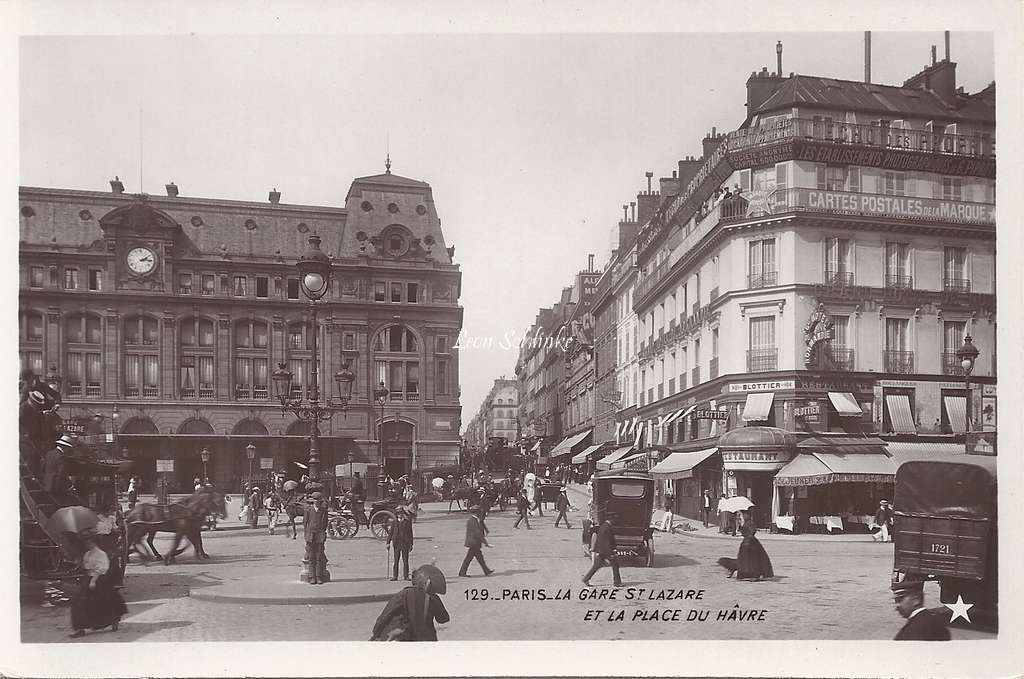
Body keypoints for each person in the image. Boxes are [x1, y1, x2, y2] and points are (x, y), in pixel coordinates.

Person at [68, 536, 128, 637]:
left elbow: (102, 569)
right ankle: (80, 629)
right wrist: (79, 564)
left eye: (88, 542)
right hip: (88, 578)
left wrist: (93, 581)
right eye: (86, 542)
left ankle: (113, 620)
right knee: (78, 601)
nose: (86, 544)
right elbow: (87, 567)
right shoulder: (87, 553)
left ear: (93, 542)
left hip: (100, 580)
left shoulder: (101, 554)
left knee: (102, 602)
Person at [371, 565, 451, 641]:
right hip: (428, 640)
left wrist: (376, 633)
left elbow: (385, 615)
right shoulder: (433, 598)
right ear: (428, 583)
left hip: (408, 639)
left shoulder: (403, 594)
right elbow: (443, 619)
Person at [583, 514, 622, 587]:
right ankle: (617, 582)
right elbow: (608, 541)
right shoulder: (608, 528)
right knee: (615, 565)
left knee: (596, 566)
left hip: (602, 550)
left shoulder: (603, 526)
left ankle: (586, 578)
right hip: (606, 550)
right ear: (611, 520)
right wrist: (612, 552)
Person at [458, 507, 494, 577]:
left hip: (474, 542)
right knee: (470, 558)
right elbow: (478, 533)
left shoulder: (475, 519)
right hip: (473, 543)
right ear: (477, 513)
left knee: (478, 558)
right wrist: (486, 543)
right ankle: (462, 572)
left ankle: (486, 570)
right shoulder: (472, 521)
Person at [303, 492, 329, 584]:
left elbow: (325, 523)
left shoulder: (323, 511)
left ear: (320, 501)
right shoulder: (308, 510)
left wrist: (322, 532)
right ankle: (312, 577)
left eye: (318, 500)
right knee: (311, 557)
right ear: (312, 501)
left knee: (319, 557)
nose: (317, 502)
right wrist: (306, 535)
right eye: (315, 500)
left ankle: (318, 577)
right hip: (310, 535)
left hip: (319, 535)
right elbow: (305, 523)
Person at [386, 506, 415, 581]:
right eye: (398, 514)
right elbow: (390, 533)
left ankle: (406, 576)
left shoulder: (407, 522)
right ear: (397, 514)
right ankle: (395, 576)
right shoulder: (394, 522)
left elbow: (410, 534)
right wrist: (388, 542)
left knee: (405, 560)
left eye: (401, 513)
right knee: (396, 560)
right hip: (396, 543)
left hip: (405, 543)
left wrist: (411, 544)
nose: (400, 515)